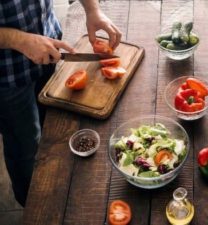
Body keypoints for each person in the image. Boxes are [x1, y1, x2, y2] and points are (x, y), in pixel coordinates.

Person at [0, 0, 121, 207]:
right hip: (6, 75)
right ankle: (33, 205)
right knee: (25, 145)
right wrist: (20, 40)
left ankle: (52, 188)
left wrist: (93, 10)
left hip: (50, 46)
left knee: (51, 134)